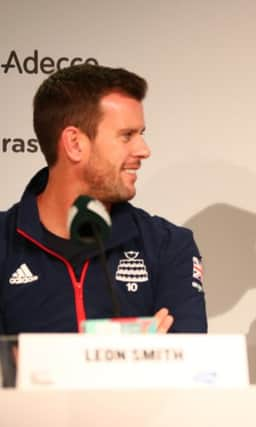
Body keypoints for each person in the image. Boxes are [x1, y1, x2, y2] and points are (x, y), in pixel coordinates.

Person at [0, 64, 207, 335]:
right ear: (75, 143)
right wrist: (133, 354)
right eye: (127, 136)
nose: (144, 150)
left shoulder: (169, 245)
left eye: (141, 134)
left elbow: (188, 366)